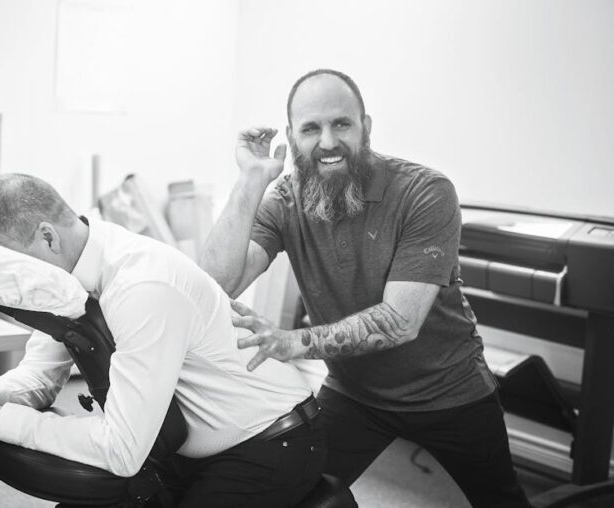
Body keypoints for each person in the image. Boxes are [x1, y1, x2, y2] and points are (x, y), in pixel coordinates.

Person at [199, 69, 530, 508]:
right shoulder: (285, 198)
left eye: (342, 124)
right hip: (355, 394)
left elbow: (399, 321)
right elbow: (216, 283)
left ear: (365, 127)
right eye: (311, 128)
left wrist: (291, 342)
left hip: (449, 390)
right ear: (292, 138)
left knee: (502, 501)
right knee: (304, 493)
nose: (328, 141)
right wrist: (250, 180)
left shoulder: (424, 192)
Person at [0, 173, 326, 508]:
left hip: (272, 443)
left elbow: (122, 449)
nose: (6, 281)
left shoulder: (142, 287)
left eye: (4, 264)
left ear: (47, 237)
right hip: (179, 444)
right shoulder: (63, 279)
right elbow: (39, 375)